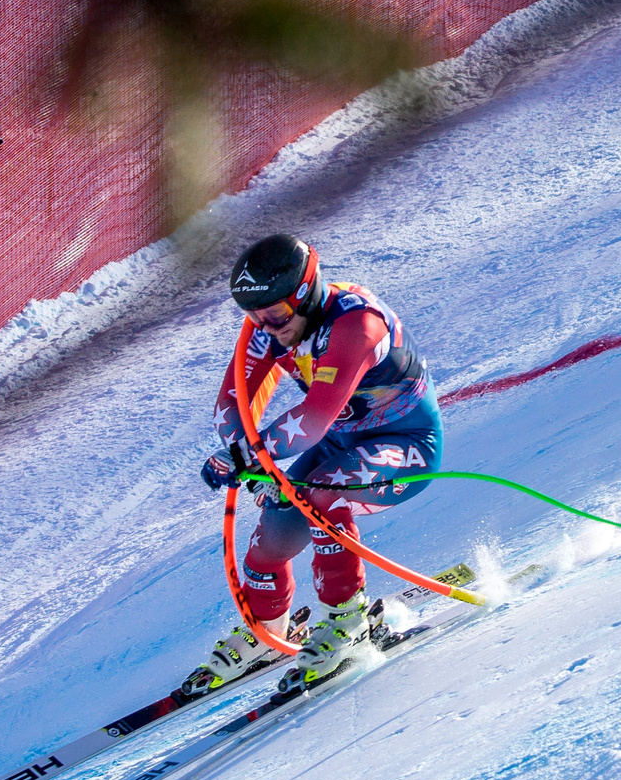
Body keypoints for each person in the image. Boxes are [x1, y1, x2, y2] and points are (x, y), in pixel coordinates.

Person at [187, 233, 442, 696]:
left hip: (406, 448)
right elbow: (231, 404)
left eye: (276, 315)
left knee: (321, 492)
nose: (266, 327)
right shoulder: (274, 325)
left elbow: (315, 419)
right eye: (254, 317)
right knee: (277, 523)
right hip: (340, 443)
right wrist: (238, 453)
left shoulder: (356, 326)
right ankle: (268, 629)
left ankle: (349, 622)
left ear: (305, 291)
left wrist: (251, 455)